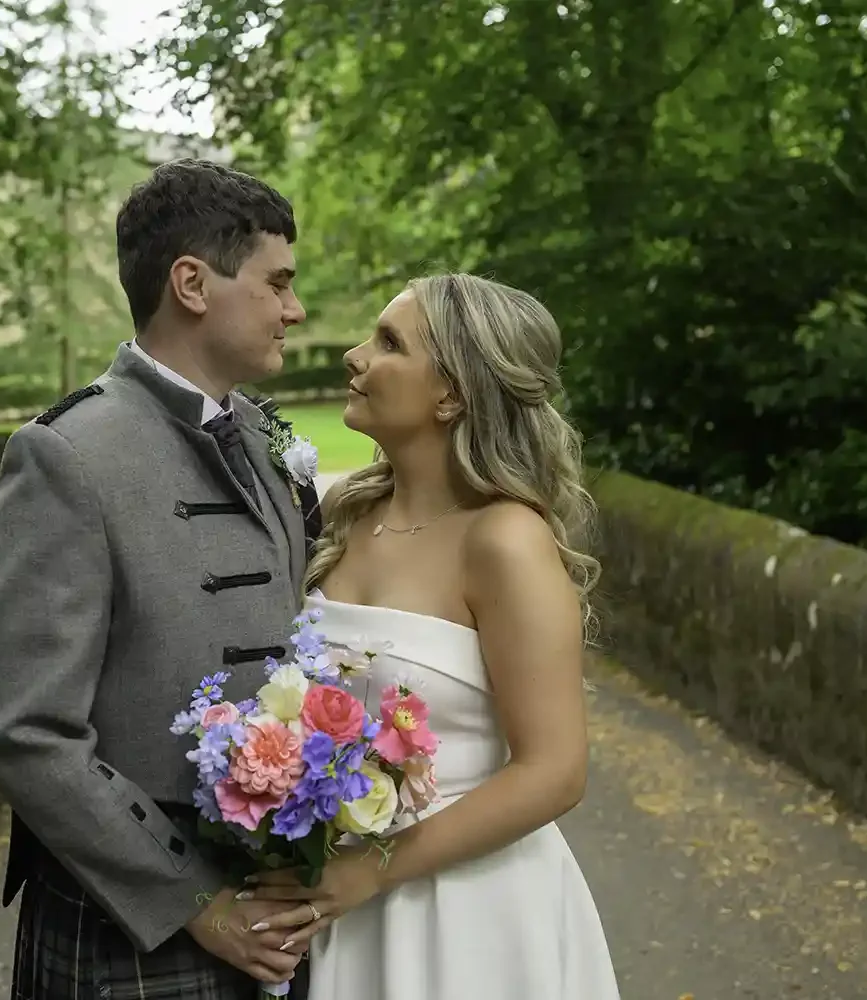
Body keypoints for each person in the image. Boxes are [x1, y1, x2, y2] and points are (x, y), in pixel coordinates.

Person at [0, 158, 325, 999]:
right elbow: (22, 729)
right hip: (132, 927)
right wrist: (194, 899)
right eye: (278, 284)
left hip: (276, 907)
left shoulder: (266, 439)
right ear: (193, 284)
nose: (294, 310)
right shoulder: (65, 457)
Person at [241, 273, 621, 999]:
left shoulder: (506, 541)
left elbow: (555, 770)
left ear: (451, 394)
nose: (355, 356)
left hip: (474, 914)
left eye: (388, 343)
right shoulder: (343, 517)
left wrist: (369, 870)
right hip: (349, 911)